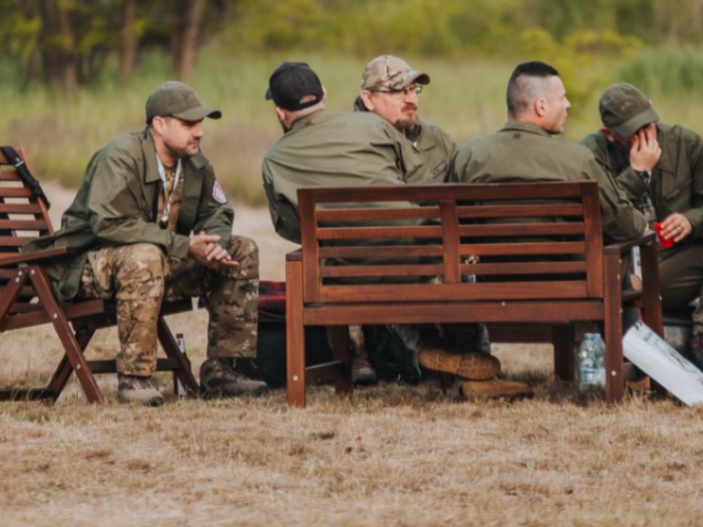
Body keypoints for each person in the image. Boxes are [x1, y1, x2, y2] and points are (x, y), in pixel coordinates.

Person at [261, 61, 524, 399]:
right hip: (417, 258)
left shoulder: (274, 160)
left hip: (350, 271)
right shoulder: (372, 128)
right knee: (429, 267)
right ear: (324, 94)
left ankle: (423, 346)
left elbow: (293, 229)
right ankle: (468, 369)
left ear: (281, 112)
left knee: (370, 271)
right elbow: (422, 187)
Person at [31, 81, 265, 406]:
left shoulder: (195, 162)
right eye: (189, 124)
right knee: (145, 255)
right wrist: (185, 246)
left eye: (200, 124)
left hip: (153, 263)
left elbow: (218, 210)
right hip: (86, 265)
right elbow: (108, 224)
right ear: (160, 124)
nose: (199, 132)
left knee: (243, 249)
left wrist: (216, 244)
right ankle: (135, 377)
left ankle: (222, 370)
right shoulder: (120, 157)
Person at [580, 83, 703, 376]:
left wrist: (693, 220)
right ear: (608, 134)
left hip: (671, 263)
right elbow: (599, 218)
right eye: (631, 132)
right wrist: (638, 174)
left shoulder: (685, 144)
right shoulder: (590, 155)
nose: (644, 135)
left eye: (647, 124)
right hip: (619, 270)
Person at [449, 61, 648, 246]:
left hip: (491, 280)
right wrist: (639, 175)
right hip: (565, 282)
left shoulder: (469, 155)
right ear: (541, 106)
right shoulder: (578, 159)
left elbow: (450, 224)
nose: (568, 104)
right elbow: (628, 227)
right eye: (562, 98)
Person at [353, 54, 458, 182]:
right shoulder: (352, 147)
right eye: (398, 91)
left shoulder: (435, 138)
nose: (412, 100)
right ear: (368, 99)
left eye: (413, 90)